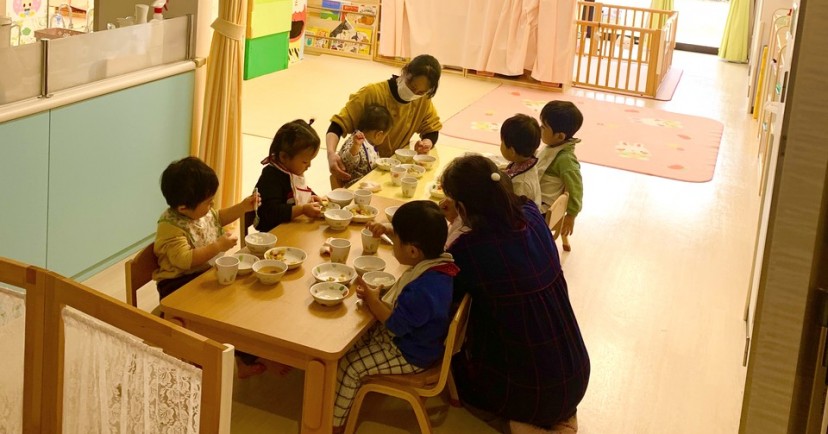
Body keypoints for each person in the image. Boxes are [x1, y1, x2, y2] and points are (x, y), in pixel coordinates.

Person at [441, 155, 590, 433]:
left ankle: (525, 426)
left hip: (531, 390)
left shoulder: (469, 250)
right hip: (576, 371)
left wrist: (454, 224)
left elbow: (444, 293)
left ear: (461, 206)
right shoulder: (532, 215)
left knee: (455, 375)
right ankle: (561, 417)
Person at [332, 201, 459, 432]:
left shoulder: (423, 289)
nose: (393, 244)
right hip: (422, 341)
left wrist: (373, 301)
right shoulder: (438, 266)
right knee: (347, 342)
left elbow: (395, 324)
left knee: (349, 366)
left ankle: (334, 425)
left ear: (412, 251)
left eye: (395, 239)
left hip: (411, 352)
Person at [152, 157, 266, 379]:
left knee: (237, 306)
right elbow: (185, 260)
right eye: (208, 202)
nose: (211, 206)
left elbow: (218, 218)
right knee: (222, 315)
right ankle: (198, 366)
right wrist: (218, 246)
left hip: (200, 275)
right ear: (183, 207)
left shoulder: (197, 213)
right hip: (176, 284)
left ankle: (244, 358)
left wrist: (243, 207)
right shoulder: (170, 227)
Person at [326, 54, 443, 185]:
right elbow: (337, 125)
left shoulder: (423, 101)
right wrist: (331, 153)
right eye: (411, 85)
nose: (413, 93)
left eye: (421, 92)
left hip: (394, 171)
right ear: (405, 71)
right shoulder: (372, 93)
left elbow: (431, 129)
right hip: (364, 175)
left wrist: (427, 143)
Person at [254, 119, 323, 232]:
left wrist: (312, 197)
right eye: (305, 162)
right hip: (273, 234)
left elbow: (299, 191)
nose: (309, 165)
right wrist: (302, 209)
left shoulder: (293, 171)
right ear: (283, 157)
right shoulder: (270, 177)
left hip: (293, 228)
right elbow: (272, 212)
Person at [536, 101, 584, 244]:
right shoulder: (554, 146)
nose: (540, 129)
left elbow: (576, 189)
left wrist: (571, 215)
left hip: (542, 210)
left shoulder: (565, 160)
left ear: (560, 136)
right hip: (538, 200)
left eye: (544, 127)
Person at [336, 104, 393, 187]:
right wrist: (355, 147)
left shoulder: (369, 143)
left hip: (369, 182)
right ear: (378, 134)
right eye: (385, 136)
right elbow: (346, 164)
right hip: (355, 187)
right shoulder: (355, 142)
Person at [500, 113, 542, 208]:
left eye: (502, 141)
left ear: (512, 151)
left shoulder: (520, 184)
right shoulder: (528, 161)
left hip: (522, 219)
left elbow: (515, 212)